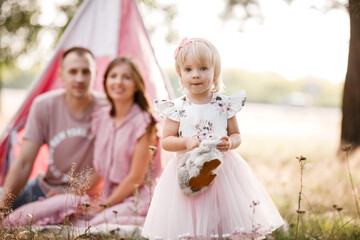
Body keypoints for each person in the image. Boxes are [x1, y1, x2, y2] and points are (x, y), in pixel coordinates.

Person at [142, 38, 284, 239]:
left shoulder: (224, 105)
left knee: (223, 218)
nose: (196, 75)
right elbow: (166, 141)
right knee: (190, 218)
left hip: (222, 169)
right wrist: (186, 142)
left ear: (215, 71)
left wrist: (231, 142)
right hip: (187, 169)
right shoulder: (177, 108)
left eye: (203, 68)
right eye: (188, 70)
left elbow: (236, 134)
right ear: (180, 75)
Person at [4, 56, 161, 227]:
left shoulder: (145, 124)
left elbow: (135, 179)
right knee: (18, 218)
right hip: (105, 198)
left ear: (137, 83)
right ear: (105, 81)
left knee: (91, 225)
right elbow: (100, 170)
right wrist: (70, 194)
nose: (119, 82)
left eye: (126, 77)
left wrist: (103, 205)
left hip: (133, 199)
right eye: (113, 76)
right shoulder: (103, 119)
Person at [0, 47, 106, 211]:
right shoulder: (43, 105)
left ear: (95, 74)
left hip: (87, 197)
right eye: (72, 71)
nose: (79, 78)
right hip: (43, 190)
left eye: (86, 72)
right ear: (61, 75)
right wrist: (3, 206)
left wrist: (69, 195)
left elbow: (105, 166)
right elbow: (23, 163)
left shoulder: (108, 108)